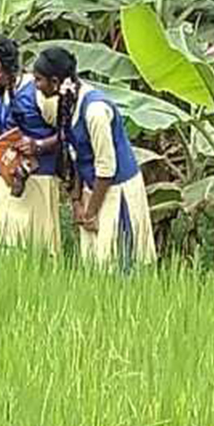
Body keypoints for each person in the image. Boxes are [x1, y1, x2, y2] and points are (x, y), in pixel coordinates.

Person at [33, 47, 154, 269]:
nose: (36, 86)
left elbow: (106, 168)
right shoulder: (66, 102)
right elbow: (74, 154)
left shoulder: (95, 111)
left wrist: (90, 212)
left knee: (117, 262)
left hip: (116, 192)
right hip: (93, 190)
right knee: (95, 265)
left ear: (55, 80)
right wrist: (78, 201)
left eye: (39, 80)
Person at [0, 36, 61, 254]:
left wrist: (39, 145)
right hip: (1, 182)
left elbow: (67, 133)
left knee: (33, 250)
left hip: (37, 182)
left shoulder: (38, 92)